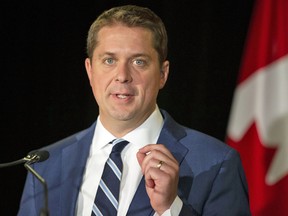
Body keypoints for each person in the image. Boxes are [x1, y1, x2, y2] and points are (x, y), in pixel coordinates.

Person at [17, 5, 251, 216]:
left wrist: (171, 209)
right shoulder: (44, 165)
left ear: (163, 74)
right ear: (90, 70)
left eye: (138, 61)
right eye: (109, 60)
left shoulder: (216, 162)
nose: (122, 75)